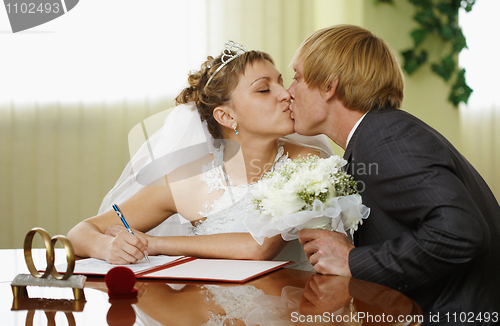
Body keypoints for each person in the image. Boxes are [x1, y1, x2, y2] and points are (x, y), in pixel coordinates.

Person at [289, 25, 500, 322]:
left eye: (297, 77)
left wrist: (353, 260)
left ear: (328, 86)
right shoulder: (375, 134)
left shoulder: (382, 136)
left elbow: (461, 231)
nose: (288, 92)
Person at [67, 41, 334, 269]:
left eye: (281, 82)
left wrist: (154, 244)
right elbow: (78, 233)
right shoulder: (186, 180)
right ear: (227, 116)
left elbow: (259, 248)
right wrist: (107, 246)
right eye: (264, 89)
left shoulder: (308, 163)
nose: (285, 94)